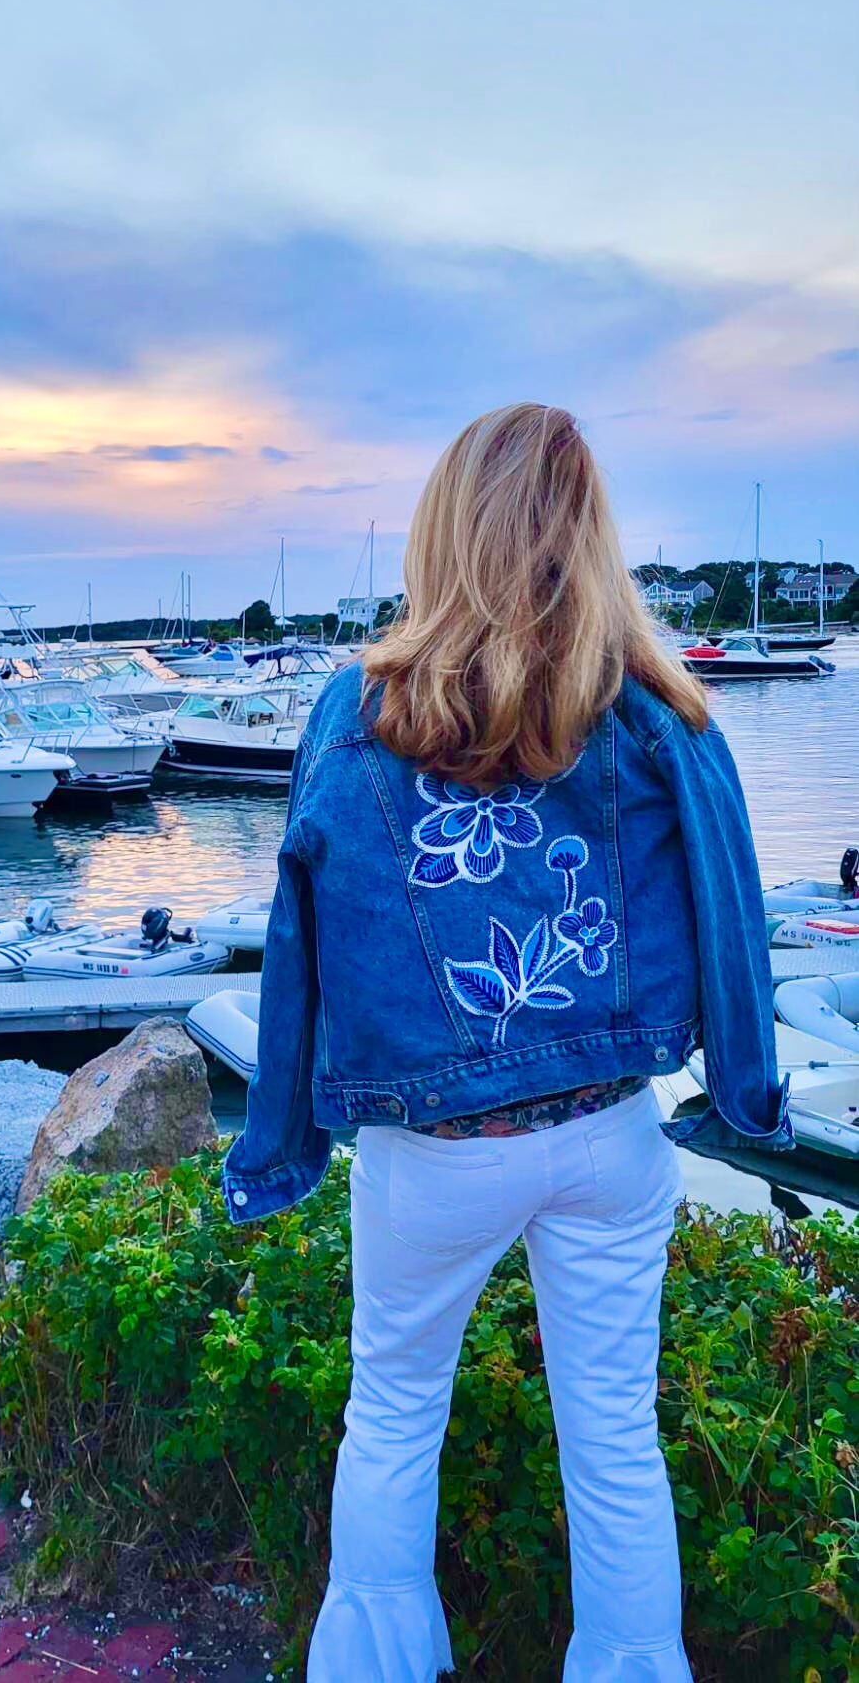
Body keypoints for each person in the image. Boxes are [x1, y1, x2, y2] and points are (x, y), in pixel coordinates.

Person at [222, 403, 791, 1681]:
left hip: (431, 1157)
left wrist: (281, 1136)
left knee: (392, 1420)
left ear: (440, 530)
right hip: (606, 1140)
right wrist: (743, 1097)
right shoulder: (657, 708)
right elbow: (732, 911)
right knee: (612, 1441)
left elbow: (299, 925)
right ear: (588, 538)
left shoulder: (359, 706)